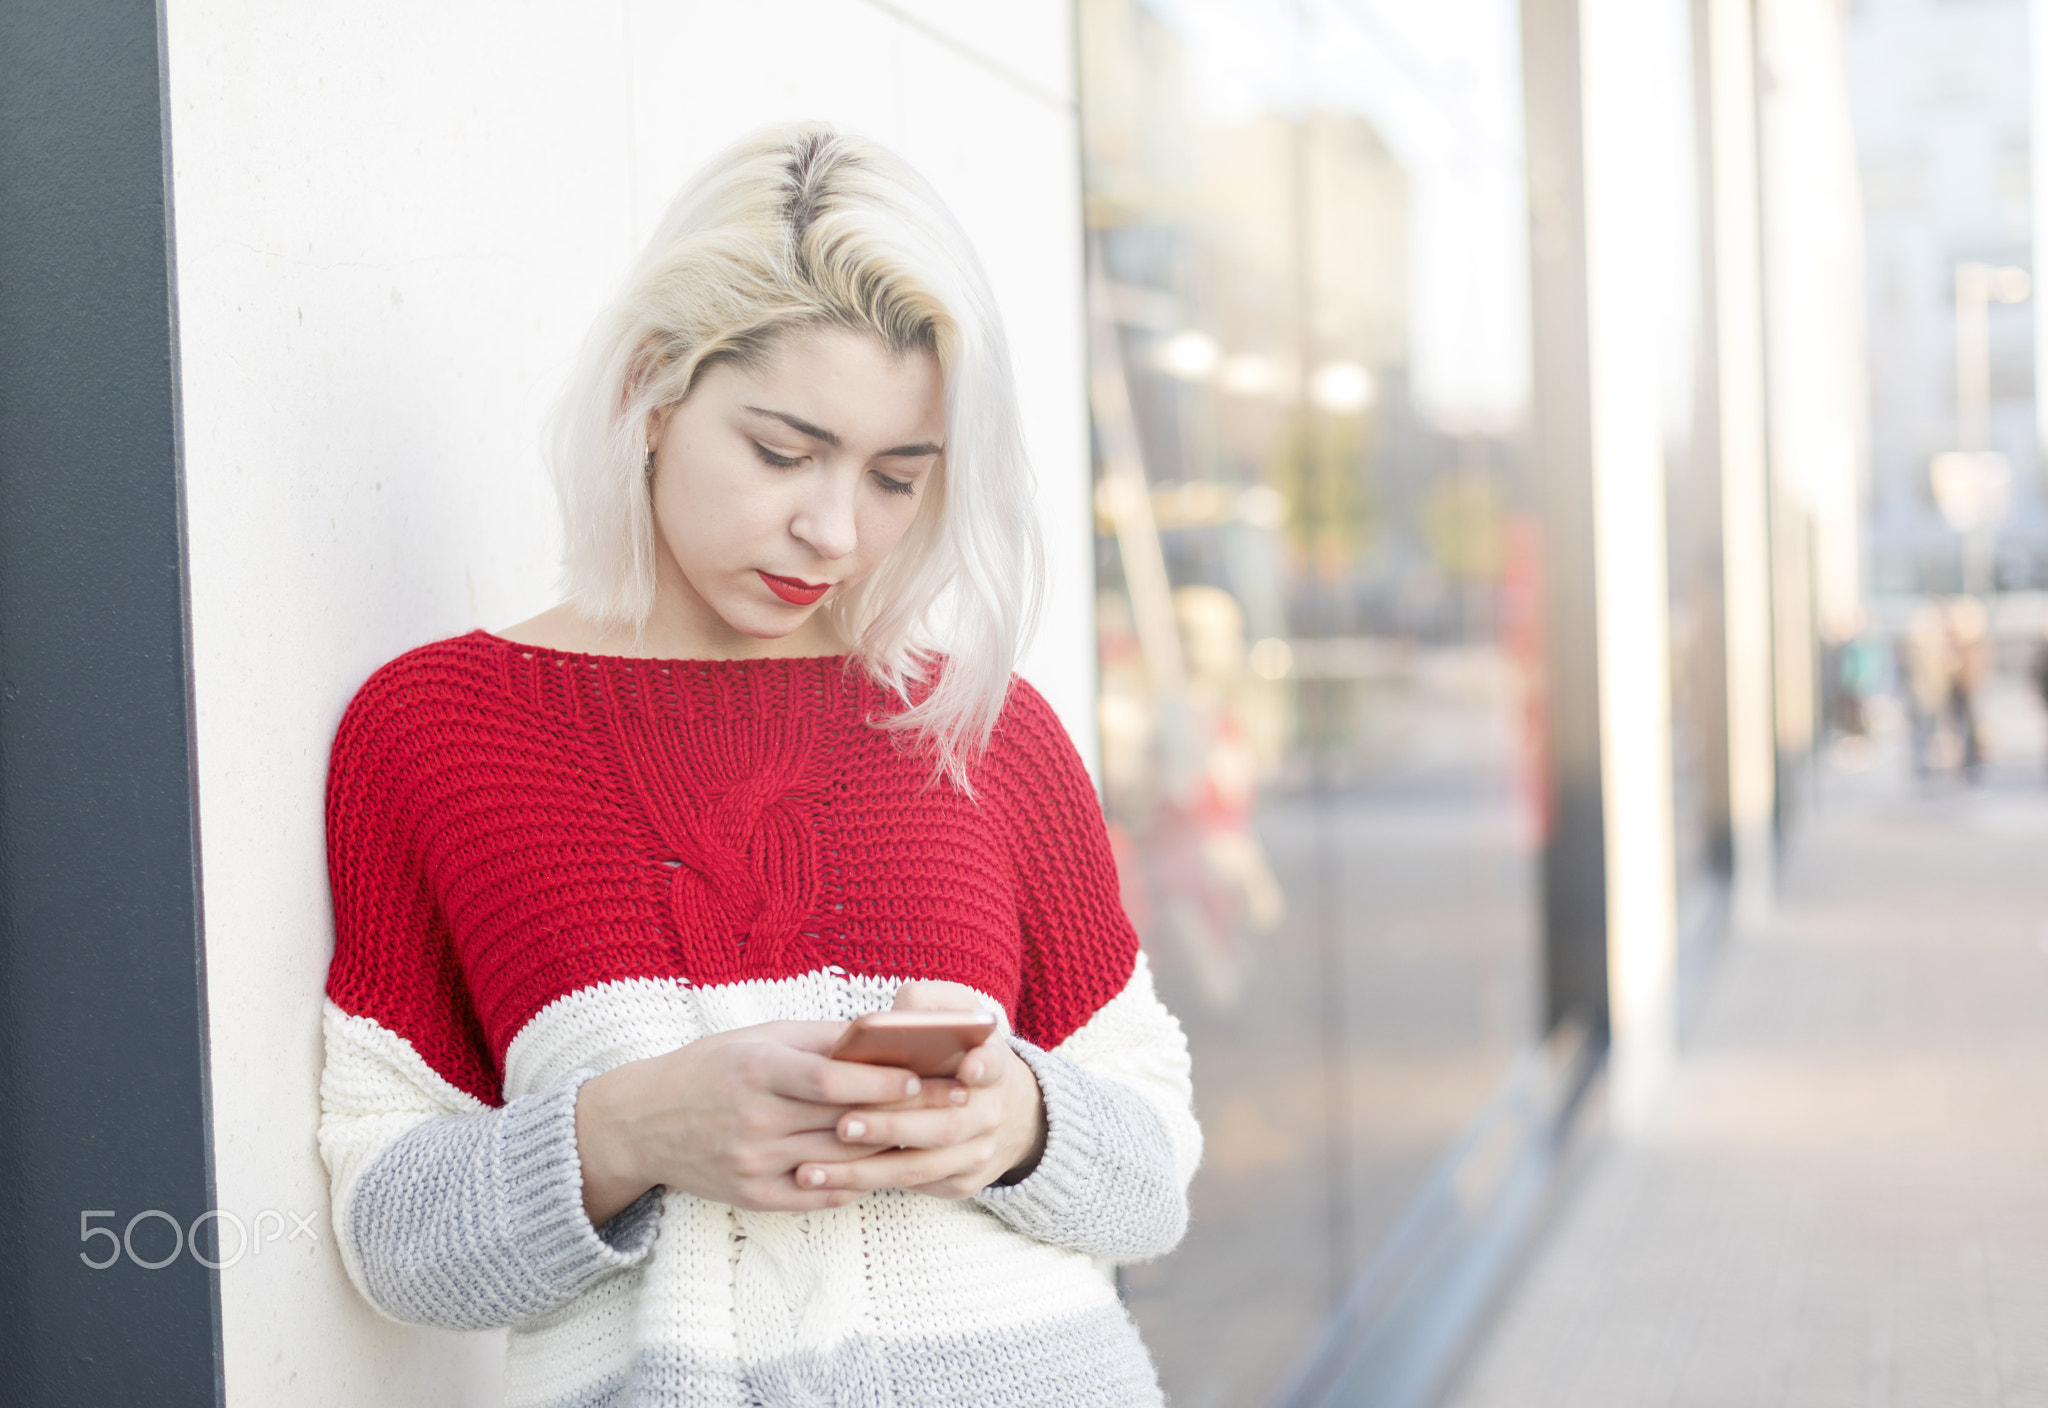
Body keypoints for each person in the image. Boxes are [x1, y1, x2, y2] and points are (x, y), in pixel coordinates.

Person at [317, 125, 1200, 1408]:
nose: (833, 529)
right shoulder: (439, 735)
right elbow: (389, 1240)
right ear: (651, 394)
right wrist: (628, 1131)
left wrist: (1015, 1121)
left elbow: (1153, 1167)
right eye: (783, 453)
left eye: (898, 478)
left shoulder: (978, 725)